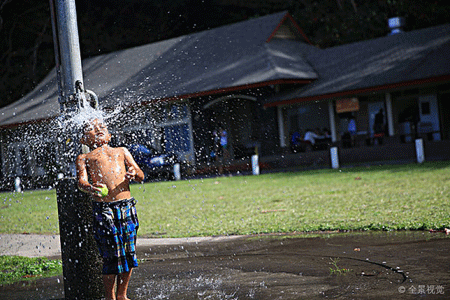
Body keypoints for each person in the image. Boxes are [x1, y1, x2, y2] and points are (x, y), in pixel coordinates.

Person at [76, 118, 145, 300]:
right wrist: (90, 187)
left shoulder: (122, 151)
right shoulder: (84, 158)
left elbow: (140, 174)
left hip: (126, 206)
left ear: (110, 135)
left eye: (102, 127)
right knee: (111, 254)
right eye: (91, 128)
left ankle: (122, 295)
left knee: (128, 252)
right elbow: (81, 182)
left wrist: (133, 173)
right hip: (104, 210)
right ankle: (109, 296)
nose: (98, 129)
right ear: (84, 140)